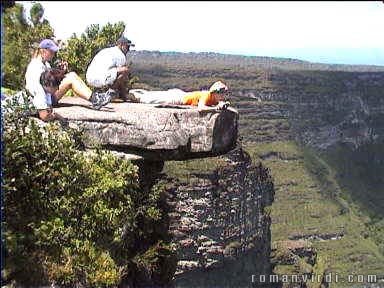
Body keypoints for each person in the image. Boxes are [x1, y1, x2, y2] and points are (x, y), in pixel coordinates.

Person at [25, 38, 112, 121]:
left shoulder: (45, 64)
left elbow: (50, 80)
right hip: (44, 99)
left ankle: (95, 97)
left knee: (72, 75)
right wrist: (46, 106)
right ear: (43, 51)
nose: (53, 55)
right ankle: (95, 99)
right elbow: (37, 89)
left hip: (48, 95)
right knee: (71, 78)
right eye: (51, 52)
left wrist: (61, 71)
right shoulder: (35, 66)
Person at [129, 80, 231, 112]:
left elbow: (219, 103)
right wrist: (215, 109)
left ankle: (135, 92)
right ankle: (131, 95)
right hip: (178, 99)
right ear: (215, 93)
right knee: (149, 100)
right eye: (222, 94)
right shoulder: (206, 95)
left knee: (155, 95)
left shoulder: (214, 99)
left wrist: (222, 104)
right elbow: (201, 108)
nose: (223, 97)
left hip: (181, 94)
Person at [86, 36, 135, 101]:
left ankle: (101, 92)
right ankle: (110, 93)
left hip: (89, 78)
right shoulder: (120, 55)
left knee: (114, 72)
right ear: (121, 45)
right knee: (125, 70)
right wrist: (124, 95)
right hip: (100, 78)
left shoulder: (107, 50)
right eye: (127, 47)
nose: (128, 49)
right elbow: (122, 76)